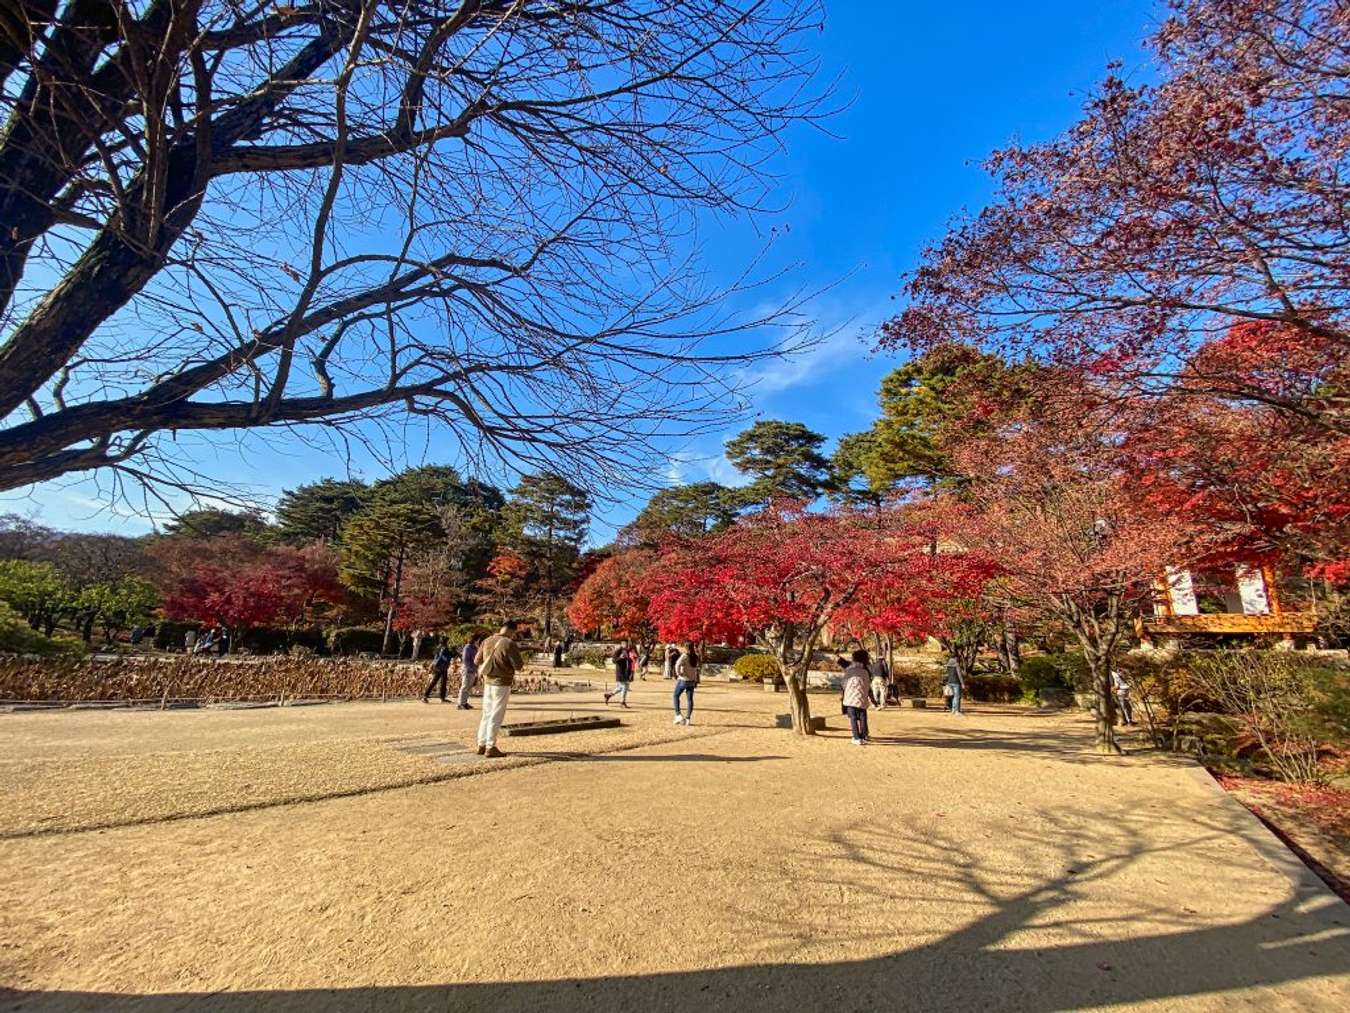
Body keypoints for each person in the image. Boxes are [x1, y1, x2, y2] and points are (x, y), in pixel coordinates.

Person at [476, 621, 526, 758]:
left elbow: (476, 660)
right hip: (502, 682)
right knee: (496, 714)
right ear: (512, 630)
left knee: (486, 712)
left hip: (488, 681)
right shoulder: (509, 644)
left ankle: (481, 743)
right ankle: (490, 747)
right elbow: (518, 666)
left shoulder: (487, 640)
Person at [841, 649, 872, 745]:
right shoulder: (866, 671)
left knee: (853, 718)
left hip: (850, 698)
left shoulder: (850, 670)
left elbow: (843, 683)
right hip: (862, 698)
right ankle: (864, 735)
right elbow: (868, 685)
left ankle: (856, 737)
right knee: (863, 716)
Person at [672, 642, 699, 725]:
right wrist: (695, 680)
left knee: (675, 695)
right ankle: (688, 718)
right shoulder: (695, 656)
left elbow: (677, 664)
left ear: (686, 647)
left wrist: (679, 674)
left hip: (683, 679)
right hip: (692, 680)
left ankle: (678, 714)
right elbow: (696, 670)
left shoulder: (685, 655)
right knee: (690, 700)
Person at [457, 631, 485, 710]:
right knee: (465, 686)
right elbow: (465, 660)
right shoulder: (468, 647)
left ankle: (464, 702)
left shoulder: (474, 647)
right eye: (478, 639)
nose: (479, 641)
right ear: (475, 639)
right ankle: (460, 703)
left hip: (473, 669)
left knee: (468, 687)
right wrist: (471, 668)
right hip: (467, 670)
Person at [605, 642, 634, 707]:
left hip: (626, 672)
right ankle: (622, 702)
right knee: (624, 687)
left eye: (627, 645)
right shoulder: (618, 651)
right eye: (625, 644)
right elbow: (614, 660)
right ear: (621, 644)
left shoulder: (627, 651)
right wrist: (620, 658)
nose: (626, 646)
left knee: (621, 687)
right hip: (620, 672)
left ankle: (609, 695)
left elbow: (628, 660)